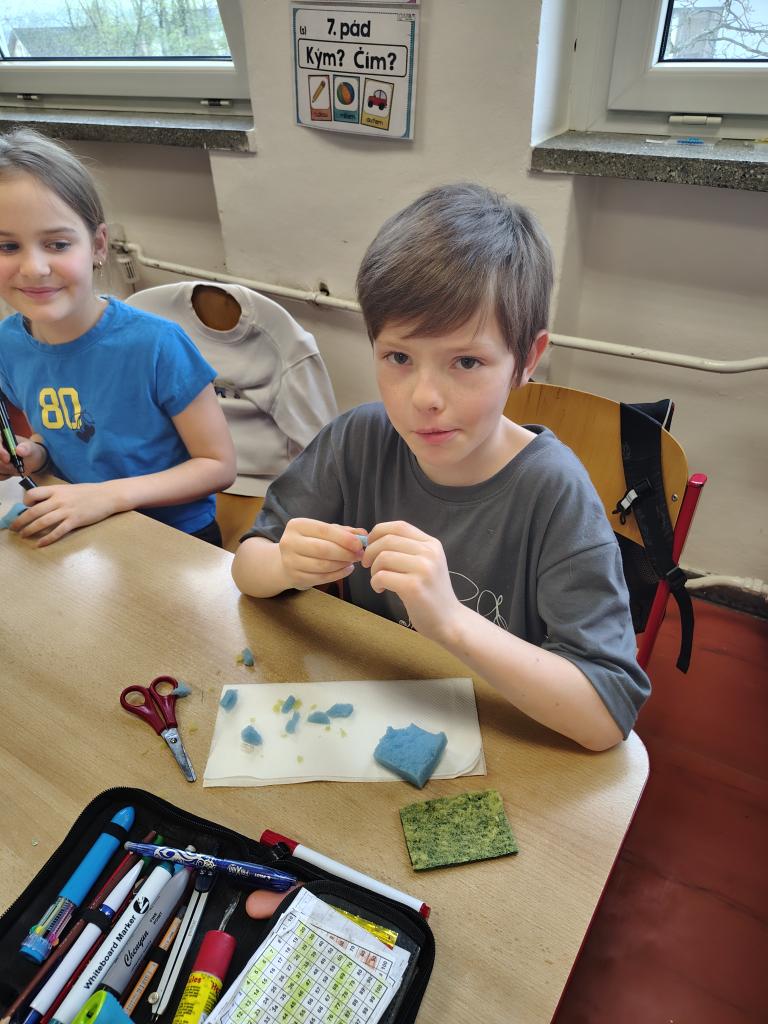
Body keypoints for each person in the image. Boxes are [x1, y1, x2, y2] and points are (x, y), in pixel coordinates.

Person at [231, 183, 650, 751]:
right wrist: (285, 563)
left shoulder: (554, 492)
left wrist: (450, 621)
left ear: (527, 359)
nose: (424, 398)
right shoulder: (358, 439)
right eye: (399, 357)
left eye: (467, 361)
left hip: (503, 742)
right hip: (374, 723)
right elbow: (247, 565)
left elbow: (606, 716)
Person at [0, 128, 236, 546]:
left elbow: (217, 466)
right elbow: (70, 432)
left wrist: (106, 496)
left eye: (57, 244)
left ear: (98, 245)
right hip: (83, 534)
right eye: (6, 247)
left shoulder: (157, 344)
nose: (34, 268)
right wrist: (37, 453)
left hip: (176, 538)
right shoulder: (8, 344)